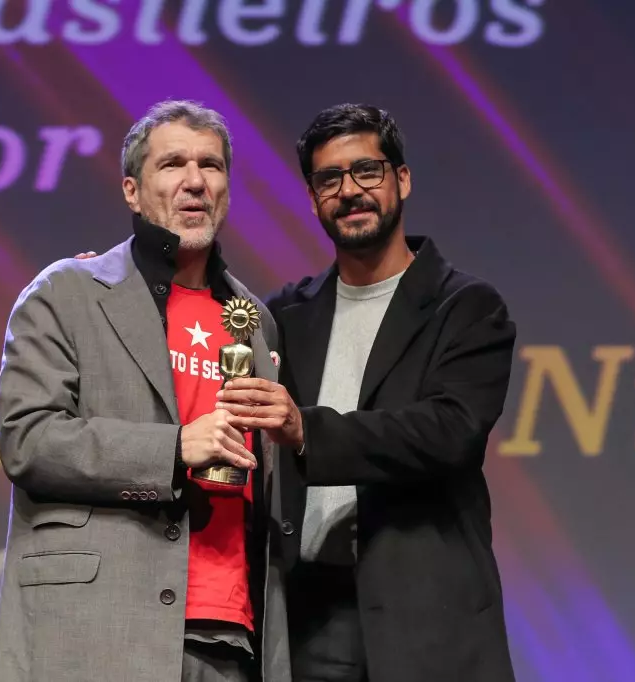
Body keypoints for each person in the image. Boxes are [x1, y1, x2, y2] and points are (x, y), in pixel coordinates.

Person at [214, 104, 518, 682]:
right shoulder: (283, 316)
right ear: (312, 199)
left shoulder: (467, 308)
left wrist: (308, 430)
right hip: (307, 619)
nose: (349, 191)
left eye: (367, 172)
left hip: (426, 618)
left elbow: (448, 432)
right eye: (329, 179)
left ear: (401, 180)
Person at [0, 99, 291, 682]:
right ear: (132, 190)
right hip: (100, 628)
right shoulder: (67, 293)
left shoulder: (253, 320)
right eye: (172, 164)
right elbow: (27, 439)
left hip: (229, 635)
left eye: (211, 165)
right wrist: (174, 449)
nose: (195, 181)